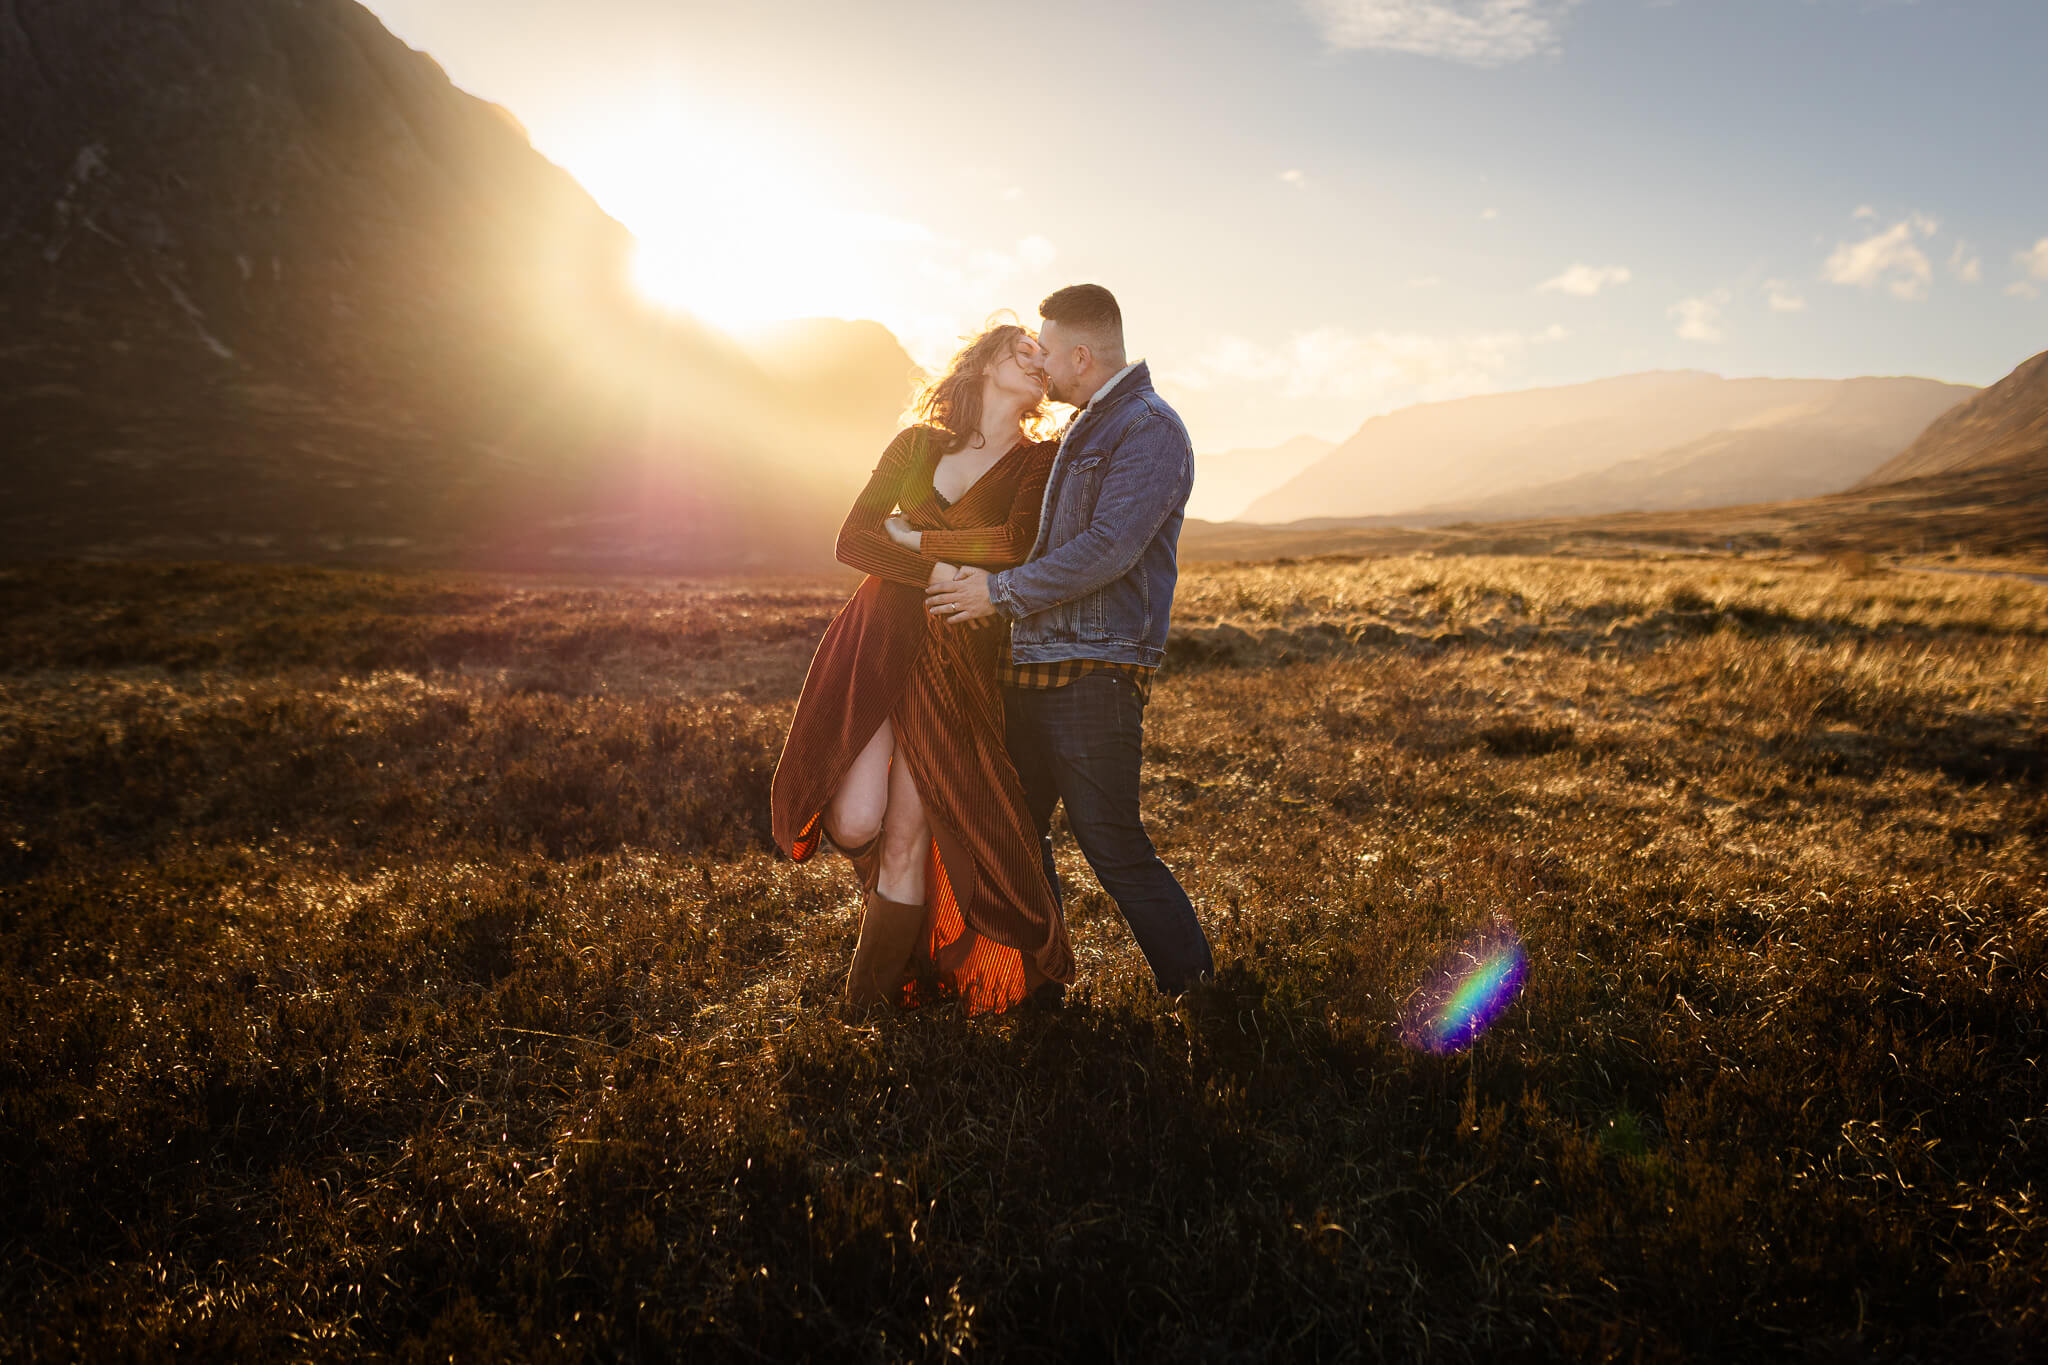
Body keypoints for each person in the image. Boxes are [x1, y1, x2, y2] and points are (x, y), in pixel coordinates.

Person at [770, 322, 1075, 1014]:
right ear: (988, 359)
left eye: (1044, 360)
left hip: (954, 660)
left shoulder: (1039, 461)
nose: (1038, 362)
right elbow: (854, 538)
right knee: (852, 819)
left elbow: (1011, 545)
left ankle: (872, 1003)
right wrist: (940, 561)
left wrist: (913, 538)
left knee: (907, 837)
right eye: (1025, 349)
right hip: (878, 641)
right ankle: (910, 918)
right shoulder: (915, 444)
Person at [926, 285, 1215, 993]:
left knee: (1115, 850)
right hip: (1028, 675)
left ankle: (1207, 1002)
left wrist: (997, 594)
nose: (1041, 364)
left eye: (1047, 352)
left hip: (1092, 679)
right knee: (1020, 844)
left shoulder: (1148, 428)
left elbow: (1109, 547)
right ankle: (1045, 989)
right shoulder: (1081, 428)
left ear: (1081, 355)